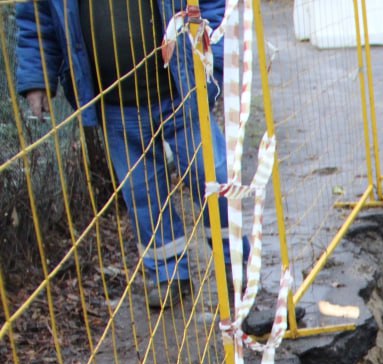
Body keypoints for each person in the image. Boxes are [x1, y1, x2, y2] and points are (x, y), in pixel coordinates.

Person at [16, 0, 243, 310]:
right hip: (114, 104)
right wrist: (36, 79)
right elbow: (37, 21)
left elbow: (214, 6)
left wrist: (212, 59)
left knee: (212, 174)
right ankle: (167, 274)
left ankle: (236, 265)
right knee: (142, 193)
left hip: (182, 91)